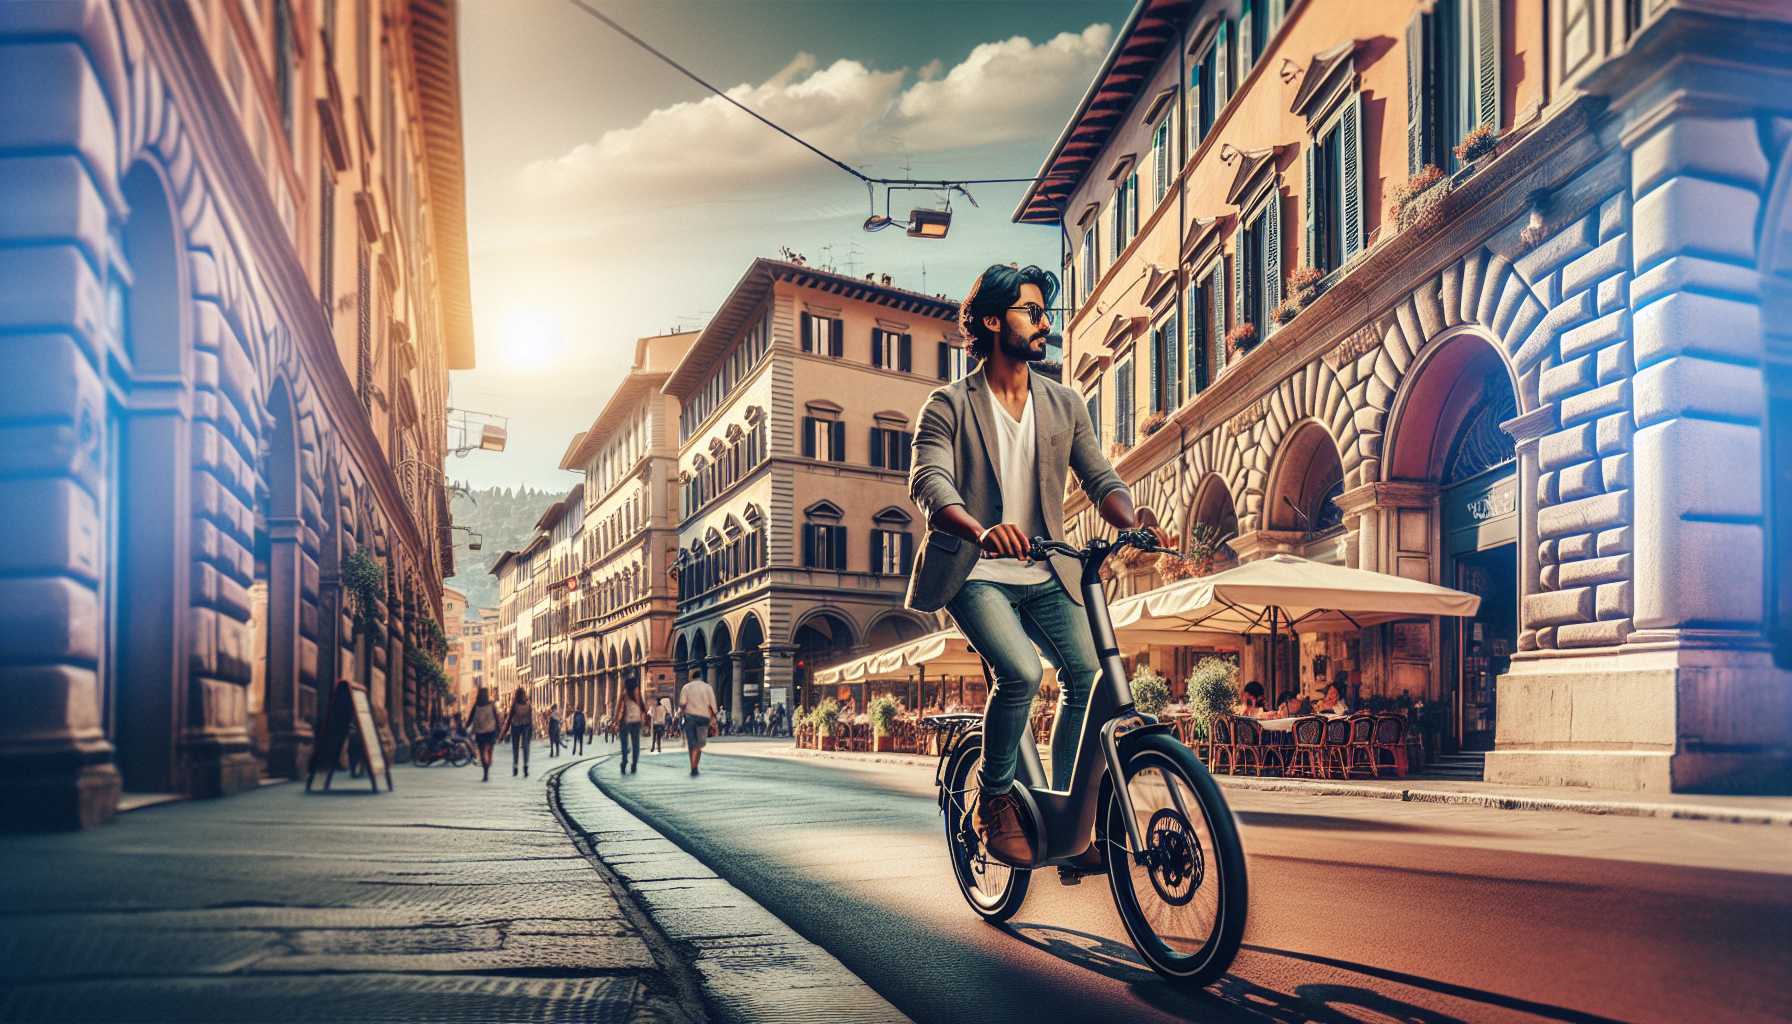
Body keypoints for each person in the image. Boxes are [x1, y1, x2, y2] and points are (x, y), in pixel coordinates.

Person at [906, 263, 1170, 870]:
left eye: (1046, 313)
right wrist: (980, 529)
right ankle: (994, 799)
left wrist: (1129, 521)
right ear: (994, 321)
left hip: (1045, 568)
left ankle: (1065, 814)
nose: (1044, 323)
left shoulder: (1062, 403)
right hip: (974, 571)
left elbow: (1099, 476)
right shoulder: (947, 404)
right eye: (1032, 311)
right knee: (1022, 673)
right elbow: (930, 481)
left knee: (1092, 676)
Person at [679, 673, 719, 776]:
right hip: (703, 718)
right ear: (701, 677)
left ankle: (693, 766)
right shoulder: (707, 687)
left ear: (692, 677)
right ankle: (695, 766)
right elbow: (713, 705)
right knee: (699, 744)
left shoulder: (686, 687)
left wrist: (682, 715)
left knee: (692, 743)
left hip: (690, 717)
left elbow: (682, 703)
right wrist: (713, 718)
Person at [464, 687, 499, 782]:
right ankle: (489, 762)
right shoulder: (491, 705)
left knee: (482, 752)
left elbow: (470, 719)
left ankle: (485, 772)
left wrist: (465, 727)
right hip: (491, 731)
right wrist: (498, 731)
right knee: (489, 751)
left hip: (480, 732)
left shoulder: (476, 706)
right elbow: (496, 718)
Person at [617, 679, 649, 774]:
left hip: (625, 722)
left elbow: (619, 708)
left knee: (624, 744)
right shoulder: (638, 695)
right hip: (636, 721)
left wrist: (615, 720)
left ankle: (624, 760)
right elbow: (644, 709)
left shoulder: (624, 694)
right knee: (636, 745)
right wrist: (645, 719)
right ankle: (634, 764)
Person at [502, 687, 533, 777]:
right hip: (526, 727)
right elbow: (530, 719)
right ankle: (525, 767)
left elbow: (509, 719)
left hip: (515, 726)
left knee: (515, 748)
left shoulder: (514, 705)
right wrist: (531, 730)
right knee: (526, 747)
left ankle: (515, 767)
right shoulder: (528, 704)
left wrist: (503, 733)